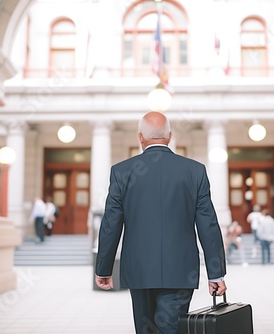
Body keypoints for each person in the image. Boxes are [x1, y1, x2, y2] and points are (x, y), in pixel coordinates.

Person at [95, 111, 227, 334]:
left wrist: (104, 268)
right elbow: (209, 224)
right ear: (169, 136)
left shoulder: (122, 172)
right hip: (181, 270)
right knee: (172, 328)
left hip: (139, 269)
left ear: (140, 137)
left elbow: (110, 224)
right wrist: (216, 273)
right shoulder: (195, 171)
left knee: (146, 329)